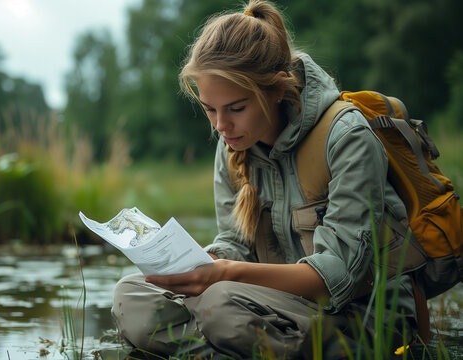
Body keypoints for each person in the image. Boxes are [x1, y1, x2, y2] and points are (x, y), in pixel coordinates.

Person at [111, 0, 421, 359]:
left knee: (221, 304)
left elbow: (337, 277)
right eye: (210, 109)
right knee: (131, 296)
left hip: (361, 317)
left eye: (236, 108)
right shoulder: (231, 145)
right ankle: (218, 350)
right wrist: (199, 265)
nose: (220, 126)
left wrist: (224, 275)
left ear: (275, 91)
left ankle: (214, 344)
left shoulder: (348, 139)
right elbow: (234, 243)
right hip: (263, 307)